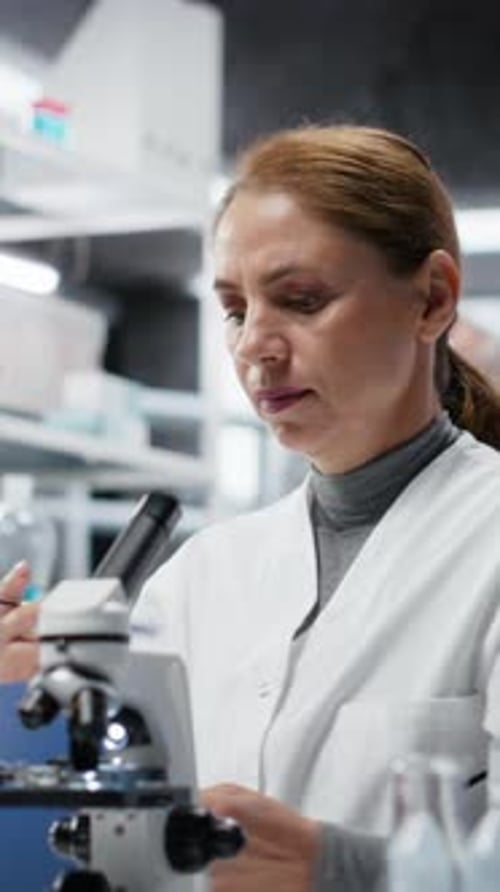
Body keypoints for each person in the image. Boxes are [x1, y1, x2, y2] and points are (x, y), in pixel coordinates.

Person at [2, 124, 500, 892]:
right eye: (236, 309)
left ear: (431, 300)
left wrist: (345, 870)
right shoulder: (198, 577)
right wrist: (19, 692)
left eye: (301, 300)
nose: (254, 346)